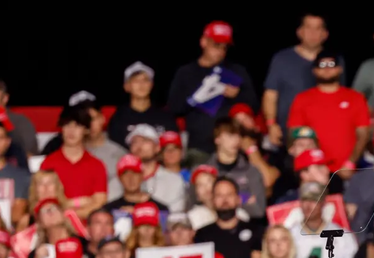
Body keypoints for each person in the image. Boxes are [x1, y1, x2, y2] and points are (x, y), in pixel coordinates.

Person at [166, 21, 258, 159]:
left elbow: (254, 104)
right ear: (203, 42)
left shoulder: (236, 71)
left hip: (233, 147)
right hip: (199, 147)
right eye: (216, 45)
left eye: (224, 47)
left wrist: (237, 95)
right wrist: (194, 99)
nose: (220, 51)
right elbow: (174, 107)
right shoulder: (186, 72)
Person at [287, 52, 371, 179]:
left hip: (347, 170)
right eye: (322, 65)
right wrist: (310, 167)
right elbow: (294, 135)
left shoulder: (356, 98)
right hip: (313, 170)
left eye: (331, 64)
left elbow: (363, 135)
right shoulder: (302, 99)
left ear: (339, 69)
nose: (326, 68)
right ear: (314, 71)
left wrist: (350, 163)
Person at [261, 14, 329, 140]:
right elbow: (270, 94)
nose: (313, 33)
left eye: (318, 28)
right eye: (308, 28)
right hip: (289, 133)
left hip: (324, 132)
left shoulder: (334, 61)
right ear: (299, 32)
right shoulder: (281, 59)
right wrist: (271, 124)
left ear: (325, 34)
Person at [39, 105, 108, 219]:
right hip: (57, 228)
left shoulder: (97, 165)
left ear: (86, 130)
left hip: (87, 231)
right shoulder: (48, 163)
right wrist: (78, 203)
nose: (71, 131)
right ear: (61, 128)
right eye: (67, 125)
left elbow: (99, 203)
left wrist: (65, 210)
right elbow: (45, 204)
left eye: (77, 126)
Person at [193, 178, 264, 258]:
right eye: (219, 195)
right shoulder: (201, 235)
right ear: (213, 200)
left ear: (238, 199)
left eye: (229, 194)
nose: (225, 200)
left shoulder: (256, 232)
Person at [107, 62, 179, 148]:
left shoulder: (165, 116)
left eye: (145, 80)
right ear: (127, 86)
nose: (141, 84)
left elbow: (173, 147)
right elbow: (115, 150)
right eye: (136, 80)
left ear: (151, 85)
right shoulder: (119, 118)